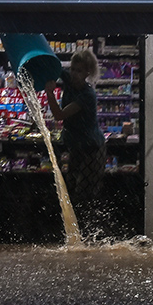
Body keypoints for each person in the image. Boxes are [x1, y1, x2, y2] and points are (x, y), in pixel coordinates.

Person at [44, 49, 106, 213]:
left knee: (84, 193)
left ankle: (86, 231)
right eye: (73, 69)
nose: (74, 74)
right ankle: (77, 229)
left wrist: (49, 93)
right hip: (77, 145)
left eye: (79, 71)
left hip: (92, 149)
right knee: (71, 187)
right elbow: (52, 67)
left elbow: (59, 115)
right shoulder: (69, 80)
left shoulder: (87, 94)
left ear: (87, 72)